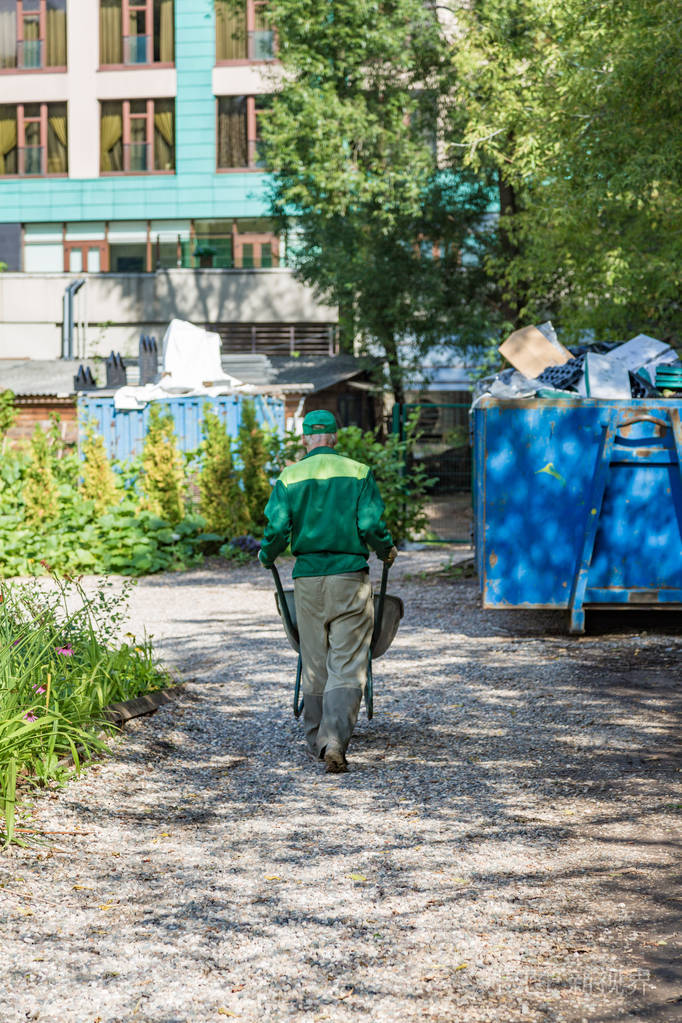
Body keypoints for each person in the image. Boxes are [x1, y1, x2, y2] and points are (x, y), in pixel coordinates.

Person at [258, 410, 397, 773]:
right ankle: (335, 739)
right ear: (335, 438)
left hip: (306, 581)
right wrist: (385, 550)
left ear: (305, 439)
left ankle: (315, 740)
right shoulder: (359, 472)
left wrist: (267, 554)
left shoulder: (289, 476)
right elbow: (370, 524)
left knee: (315, 660)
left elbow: (275, 530)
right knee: (348, 661)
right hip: (349, 577)